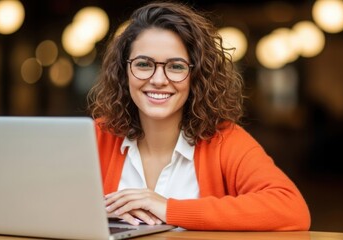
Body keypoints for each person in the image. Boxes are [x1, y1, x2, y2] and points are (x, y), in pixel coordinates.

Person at [87, 1, 310, 231]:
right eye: (144, 64)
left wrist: (167, 208)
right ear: (124, 72)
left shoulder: (224, 140)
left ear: (196, 75)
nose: (159, 80)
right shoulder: (94, 137)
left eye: (176, 66)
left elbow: (291, 209)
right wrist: (96, 211)